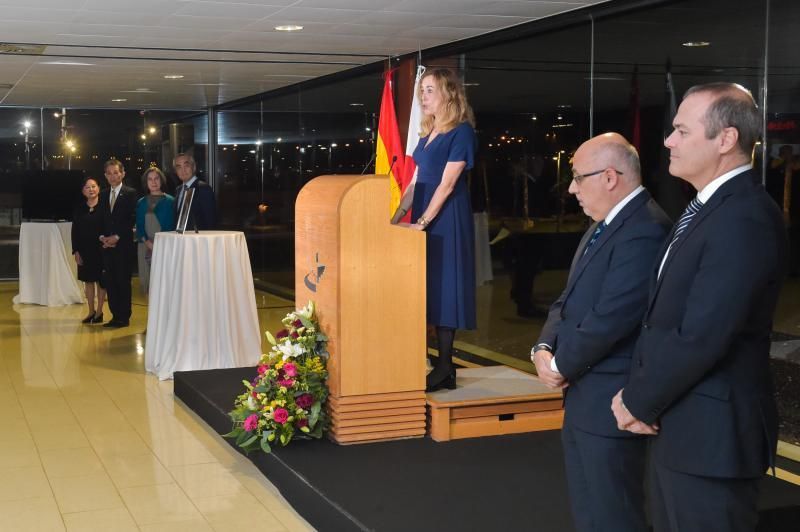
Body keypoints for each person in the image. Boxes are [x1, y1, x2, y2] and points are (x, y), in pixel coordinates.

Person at [612, 83, 787, 532]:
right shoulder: (707, 208)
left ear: (725, 140)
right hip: (684, 427)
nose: (668, 141)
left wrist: (638, 399)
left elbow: (705, 333)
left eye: (681, 131)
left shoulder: (744, 216)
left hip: (714, 438)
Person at [531, 133, 671, 532]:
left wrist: (560, 364)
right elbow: (567, 299)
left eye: (578, 177)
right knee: (591, 510)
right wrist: (543, 348)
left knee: (614, 513)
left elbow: (612, 316)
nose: (572, 188)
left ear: (610, 177)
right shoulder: (603, 226)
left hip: (610, 400)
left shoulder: (645, 229)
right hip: (584, 396)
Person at [391, 68, 477, 392]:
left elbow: (448, 183)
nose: (423, 97)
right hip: (425, 211)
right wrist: (398, 215)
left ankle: (445, 367)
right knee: (427, 287)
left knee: (446, 288)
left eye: (429, 90)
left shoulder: (462, 132)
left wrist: (423, 222)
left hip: (448, 218)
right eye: (422, 91)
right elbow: (417, 180)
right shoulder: (428, 133)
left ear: (448, 93)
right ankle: (438, 364)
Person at [98, 159, 137, 328]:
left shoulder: (131, 193)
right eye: (109, 173)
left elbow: (132, 219)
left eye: (116, 172)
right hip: (107, 246)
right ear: (105, 176)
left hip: (123, 246)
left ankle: (123, 316)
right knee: (110, 281)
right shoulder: (104, 194)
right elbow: (100, 219)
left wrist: (117, 237)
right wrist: (102, 238)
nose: (113, 176)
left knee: (122, 281)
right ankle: (114, 316)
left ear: (123, 174)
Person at [71, 177, 107, 324]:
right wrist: (76, 251)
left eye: (93, 186)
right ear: (83, 191)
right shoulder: (79, 208)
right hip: (84, 250)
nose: (91, 189)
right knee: (88, 282)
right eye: (87, 187)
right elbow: (75, 231)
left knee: (101, 282)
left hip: (102, 250)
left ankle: (99, 312)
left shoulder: (105, 207)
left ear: (98, 188)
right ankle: (90, 311)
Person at [136, 167, 175, 294]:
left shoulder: (170, 201)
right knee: (148, 285)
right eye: (150, 179)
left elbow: (171, 226)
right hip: (144, 246)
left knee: (165, 285)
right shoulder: (141, 202)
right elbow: (139, 226)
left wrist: (158, 245)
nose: (153, 182)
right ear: (146, 182)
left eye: (156, 178)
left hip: (164, 246)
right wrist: (148, 243)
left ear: (161, 180)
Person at [173, 153, 216, 230]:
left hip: (197, 240)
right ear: (176, 171)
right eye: (179, 167)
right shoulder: (178, 190)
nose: (183, 170)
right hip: (180, 239)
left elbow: (210, 222)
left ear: (194, 167)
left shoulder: (203, 189)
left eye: (186, 165)